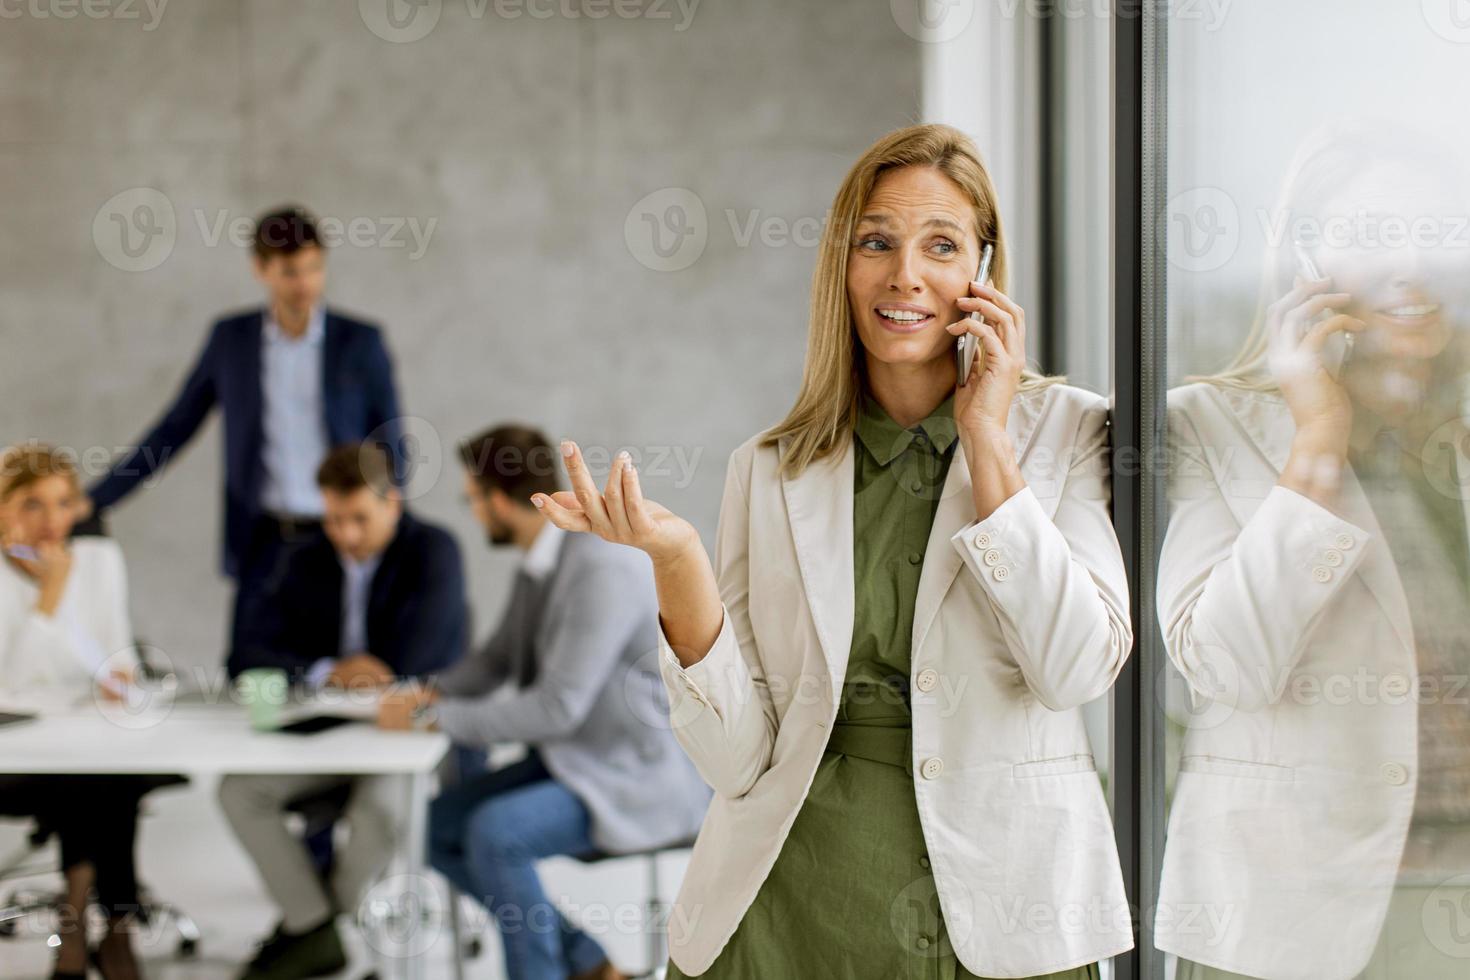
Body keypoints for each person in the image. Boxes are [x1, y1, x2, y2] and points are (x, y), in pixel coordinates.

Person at [535, 124, 1134, 978]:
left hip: (1002, 916)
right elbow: (736, 759)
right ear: (841, 268)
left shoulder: (1069, 431)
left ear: (983, 272)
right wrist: (677, 561)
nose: (905, 275)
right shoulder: (770, 470)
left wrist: (988, 441)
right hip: (789, 907)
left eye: (941, 245)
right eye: (876, 242)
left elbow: (1074, 670)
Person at [1157, 120, 1470, 980]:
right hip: (1284, 922)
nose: (1411, 261)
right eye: (1374, 236)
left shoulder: (1453, 442)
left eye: (1435, 233)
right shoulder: (1216, 425)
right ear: (1308, 262)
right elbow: (1222, 669)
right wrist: (1318, 442)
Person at [377, 424, 710, 980]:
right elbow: (497, 661)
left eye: (473, 500)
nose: (474, 513)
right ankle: (589, 963)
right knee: (435, 827)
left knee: (494, 833)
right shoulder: (543, 564)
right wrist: (427, 694)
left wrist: (429, 720)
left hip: (628, 776)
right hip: (572, 762)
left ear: (499, 501)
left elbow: (557, 708)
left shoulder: (597, 567)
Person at [85, 205, 406, 661]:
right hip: (263, 539)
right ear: (261, 269)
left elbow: (391, 439)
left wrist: (394, 524)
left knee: (337, 671)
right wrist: (95, 500)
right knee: (252, 672)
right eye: (291, 272)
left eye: (315, 268)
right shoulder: (230, 340)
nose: (305, 284)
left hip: (341, 536)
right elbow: (173, 429)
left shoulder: (359, 341)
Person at [217, 443, 466, 980]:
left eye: (360, 519)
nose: (346, 535)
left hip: (407, 739)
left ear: (393, 503)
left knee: (381, 813)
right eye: (334, 519)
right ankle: (314, 928)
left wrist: (379, 674)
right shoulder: (303, 555)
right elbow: (244, 655)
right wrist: (329, 669)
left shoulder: (434, 551)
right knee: (238, 790)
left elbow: (421, 659)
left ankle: (321, 929)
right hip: (330, 735)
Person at [0, 443, 150, 980]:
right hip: (17, 759)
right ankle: (111, 930)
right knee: (96, 782)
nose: (51, 520)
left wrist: (121, 679)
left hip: (91, 743)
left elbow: (120, 659)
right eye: (31, 504)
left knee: (104, 773)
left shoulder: (101, 562)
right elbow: (10, 688)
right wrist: (51, 593)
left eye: (63, 504)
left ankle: (82, 924)